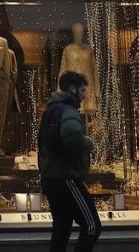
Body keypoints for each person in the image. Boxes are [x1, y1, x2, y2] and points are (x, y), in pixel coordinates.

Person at [38, 70, 100, 252]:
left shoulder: (51, 110)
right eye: (82, 90)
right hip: (66, 177)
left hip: (51, 177)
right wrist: (89, 142)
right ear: (72, 89)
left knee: (62, 226)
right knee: (92, 226)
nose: (83, 95)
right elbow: (74, 140)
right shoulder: (68, 111)